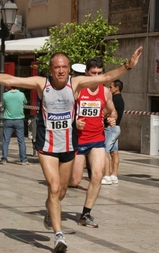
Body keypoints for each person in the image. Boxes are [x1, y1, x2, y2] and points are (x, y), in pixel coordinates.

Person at [0, 46, 143, 253]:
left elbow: (106, 76)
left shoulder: (76, 83)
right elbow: (11, 79)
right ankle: (58, 236)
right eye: (57, 67)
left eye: (64, 67)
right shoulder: (41, 83)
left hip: (69, 145)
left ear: (69, 69)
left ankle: (50, 208)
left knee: (61, 191)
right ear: (51, 69)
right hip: (47, 145)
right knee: (54, 187)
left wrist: (128, 65)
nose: (61, 71)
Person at [69, 58, 117, 228]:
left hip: (97, 139)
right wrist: (74, 122)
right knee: (74, 181)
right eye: (93, 73)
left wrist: (112, 118)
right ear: (87, 73)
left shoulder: (105, 92)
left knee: (97, 175)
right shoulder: (78, 90)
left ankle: (86, 214)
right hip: (78, 140)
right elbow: (64, 111)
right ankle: (52, 202)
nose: (97, 76)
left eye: (99, 73)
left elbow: (112, 110)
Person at [103, 79, 125, 185]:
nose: (109, 88)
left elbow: (107, 112)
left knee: (105, 151)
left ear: (117, 88)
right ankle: (114, 175)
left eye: (111, 87)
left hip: (111, 128)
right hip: (115, 128)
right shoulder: (119, 99)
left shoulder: (114, 99)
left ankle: (107, 176)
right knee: (114, 152)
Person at [0, 87, 29, 165]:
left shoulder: (5, 95)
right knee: (21, 141)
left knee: (6, 140)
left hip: (8, 120)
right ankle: (23, 160)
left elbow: (3, 104)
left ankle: (4, 159)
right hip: (19, 120)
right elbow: (25, 102)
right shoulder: (21, 94)